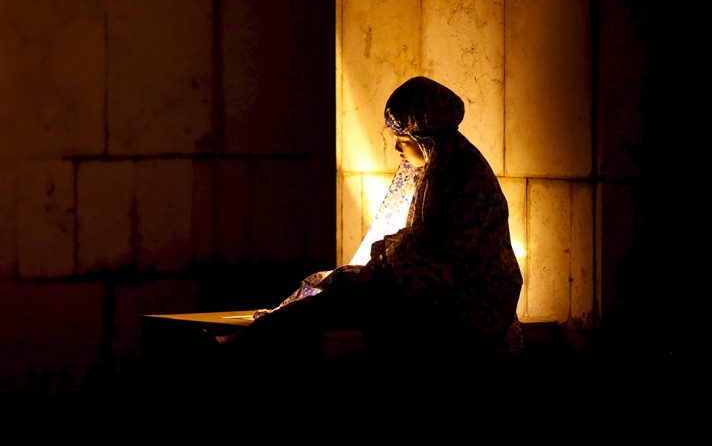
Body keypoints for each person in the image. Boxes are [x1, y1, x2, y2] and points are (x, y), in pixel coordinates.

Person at [209, 76, 524, 400]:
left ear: (421, 134)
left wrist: (385, 260)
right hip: (443, 293)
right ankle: (251, 345)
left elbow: (443, 253)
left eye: (401, 137)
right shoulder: (447, 169)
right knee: (340, 288)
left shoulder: (456, 175)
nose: (397, 147)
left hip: (467, 306)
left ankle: (245, 352)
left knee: (342, 294)